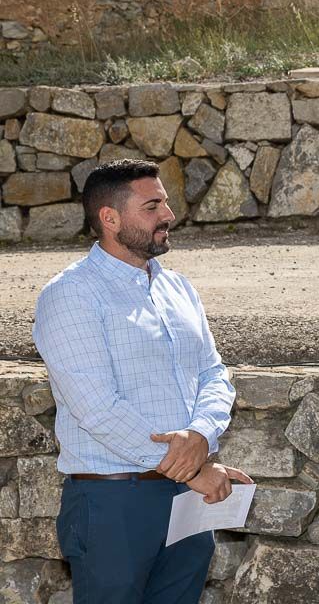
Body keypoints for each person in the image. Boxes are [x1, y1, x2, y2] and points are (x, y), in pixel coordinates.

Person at [33, 159, 251, 604]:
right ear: (109, 219)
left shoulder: (179, 289)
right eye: (152, 206)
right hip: (114, 504)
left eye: (165, 203)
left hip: (187, 501)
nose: (168, 215)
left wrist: (201, 433)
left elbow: (214, 374)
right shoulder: (70, 295)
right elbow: (98, 408)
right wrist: (193, 468)